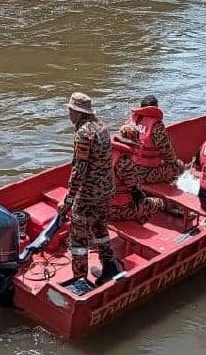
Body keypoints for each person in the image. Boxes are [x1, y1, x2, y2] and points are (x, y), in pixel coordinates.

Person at [57, 92, 121, 286]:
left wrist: (68, 200)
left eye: (70, 110)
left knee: (77, 237)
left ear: (77, 112)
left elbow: (79, 170)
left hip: (88, 195)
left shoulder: (83, 133)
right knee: (100, 228)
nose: (69, 114)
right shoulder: (101, 126)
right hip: (105, 190)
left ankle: (79, 279)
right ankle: (110, 267)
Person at [109, 126, 165, 225]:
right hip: (117, 210)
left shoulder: (107, 154)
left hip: (101, 207)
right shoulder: (124, 161)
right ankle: (138, 223)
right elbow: (135, 189)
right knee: (159, 203)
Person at [123, 95, 185, 184]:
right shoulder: (156, 125)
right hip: (145, 173)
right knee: (179, 166)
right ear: (156, 108)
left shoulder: (132, 120)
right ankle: (170, 185)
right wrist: (173, 162)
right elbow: (167, 153)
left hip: (129, 168)